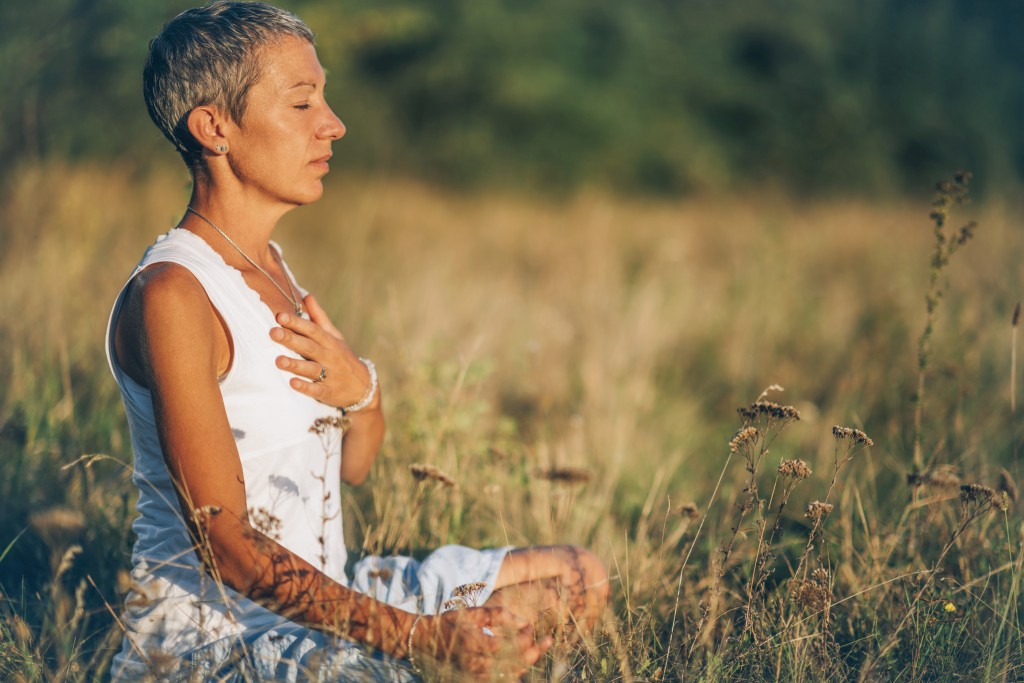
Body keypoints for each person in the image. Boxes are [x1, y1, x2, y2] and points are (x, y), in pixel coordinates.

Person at [105, 2, 609, 680]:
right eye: (303, 101)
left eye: (327, 98)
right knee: (431, 663)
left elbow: (356, 464)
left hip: (328, 592)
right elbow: (225, 545)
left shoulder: (272, 266)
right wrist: (418, 637)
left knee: (578, 575)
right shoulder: (173, 293)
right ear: (214, 126)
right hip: (215, 642)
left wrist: (363, 392)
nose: (333, 124)